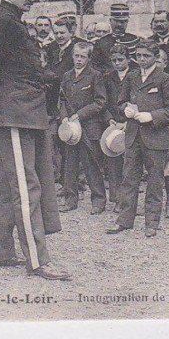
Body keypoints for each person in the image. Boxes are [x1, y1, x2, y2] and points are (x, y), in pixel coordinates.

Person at [0, 0, 70, 280]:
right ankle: (38, 261)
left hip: (23, 111)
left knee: (5, 185)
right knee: (27, 187)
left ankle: (1, 252)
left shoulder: (10, 22)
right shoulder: (2, 22)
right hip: (14, 112)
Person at [107, 39, 169, 238]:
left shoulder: (165, 79)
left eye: (146, 56)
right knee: (129, 179)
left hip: (156, 138)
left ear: (156, 58)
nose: (141, 59)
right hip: (133, 136)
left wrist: (152, 116)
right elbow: (120, 102)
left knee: (155, 181)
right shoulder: (131, 77)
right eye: (138, 55)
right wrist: (127, 110)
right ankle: (124, 220)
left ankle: (152, 223)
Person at [58, 42, 107, 215]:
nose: (79, 60)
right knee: (70, 165)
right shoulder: (67, 76)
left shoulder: (95, 76)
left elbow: (100, 102)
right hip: (70, 128)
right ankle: (70, 199)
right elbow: (62, 100)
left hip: (89, 127)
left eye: (83, 57)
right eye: (76, 56)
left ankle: (99, 200)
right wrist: (64, 117)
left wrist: (80, 115)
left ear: (88, 58)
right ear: (72, 56)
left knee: (91, 165)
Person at [103, 44, 133, 211]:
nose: (117, 63)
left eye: (120, 60)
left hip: (130, 124)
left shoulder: (134, 76)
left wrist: (128, 122)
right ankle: (116, 199)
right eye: (113, 60)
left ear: (128, 60)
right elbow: (103, 102)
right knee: (113, 162)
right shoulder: (107, 78)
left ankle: (128, 199)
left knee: (129, 164)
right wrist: (109, 120)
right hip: (113, 124)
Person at [91, 3, 139, 71]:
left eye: (123, 22)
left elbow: (139, 65)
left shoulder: (135, 40)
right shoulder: (101, 42)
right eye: (116, 21)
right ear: (110, 21)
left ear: (127, 22)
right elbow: (95, 65)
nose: (119, 24)